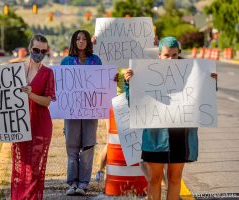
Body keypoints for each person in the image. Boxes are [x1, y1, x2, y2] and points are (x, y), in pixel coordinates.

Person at [123, 36, 218, 200]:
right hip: (155, 136)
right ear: (159, 55)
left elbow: (202, 99)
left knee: (175, 179)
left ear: (179, 53)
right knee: (155, 179)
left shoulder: (190, 72)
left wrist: (210, 83)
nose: (171, 59)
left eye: (174, 55)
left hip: (181, 135)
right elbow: (133, 102)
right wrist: (129, 83)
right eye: (167, 55)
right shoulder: (146, 72)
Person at [0, 34, 56, 200]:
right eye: (36, 50)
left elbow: (47, 102)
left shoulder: (48, 73)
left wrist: (31, 95)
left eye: (43, 51)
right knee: (21, 167)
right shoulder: (14, 69)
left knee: (34, 170)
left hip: (40, 125)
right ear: (30, 48)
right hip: (18, 124)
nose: (39, 53)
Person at [60, 30, 102, 196]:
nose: (81, 41)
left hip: (91, 111)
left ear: (88, 42)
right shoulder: (66, 62)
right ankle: (72, 183)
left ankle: (84, 184)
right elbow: (61, 84)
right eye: (78, 39)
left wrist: (111, 80)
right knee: (71, 147)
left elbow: (101, 82)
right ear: (73, 41)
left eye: (84, 39)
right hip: (71, 112)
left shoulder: (95, 60)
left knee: (88, 146)